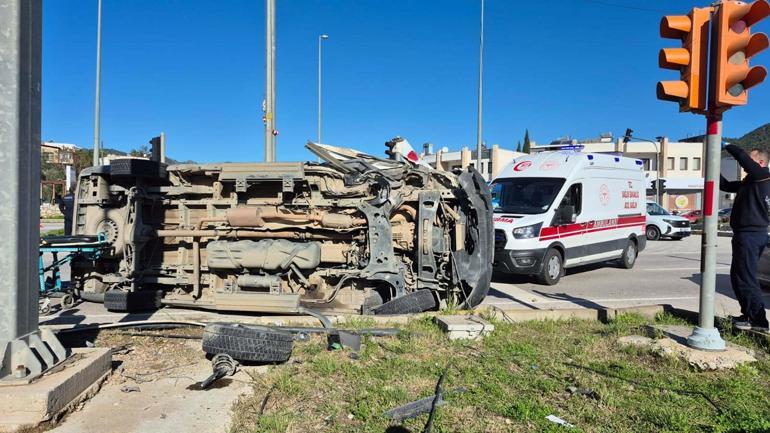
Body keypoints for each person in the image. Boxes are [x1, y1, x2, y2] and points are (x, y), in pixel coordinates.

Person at [720, 145, 770, 332]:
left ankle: (759, 322)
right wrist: (712, 165)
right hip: (745, 235)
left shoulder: (763, 176)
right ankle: (748, 314)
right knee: (738, 277)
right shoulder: (750, 181)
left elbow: (741, 156)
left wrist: (726, 146)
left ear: (761, 162)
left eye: (751, 160)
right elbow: (725, 185)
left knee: (746, 278)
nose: (745, 165)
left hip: (751, 235)